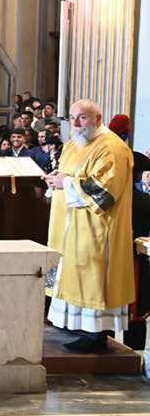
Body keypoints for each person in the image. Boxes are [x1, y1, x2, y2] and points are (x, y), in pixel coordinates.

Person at [43, 99, 134, 354]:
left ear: (97, 118)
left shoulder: (112, 148)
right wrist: (55, 180)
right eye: (72, 117)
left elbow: (105, 192)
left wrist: (67, 183)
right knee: (74, 276)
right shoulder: (74, 144)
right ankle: (78, 328)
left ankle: (96, 335)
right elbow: (67, 174)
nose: (74, 123)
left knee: (93, 279)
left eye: (81, 117)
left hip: (97, 230)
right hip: (71, 227)